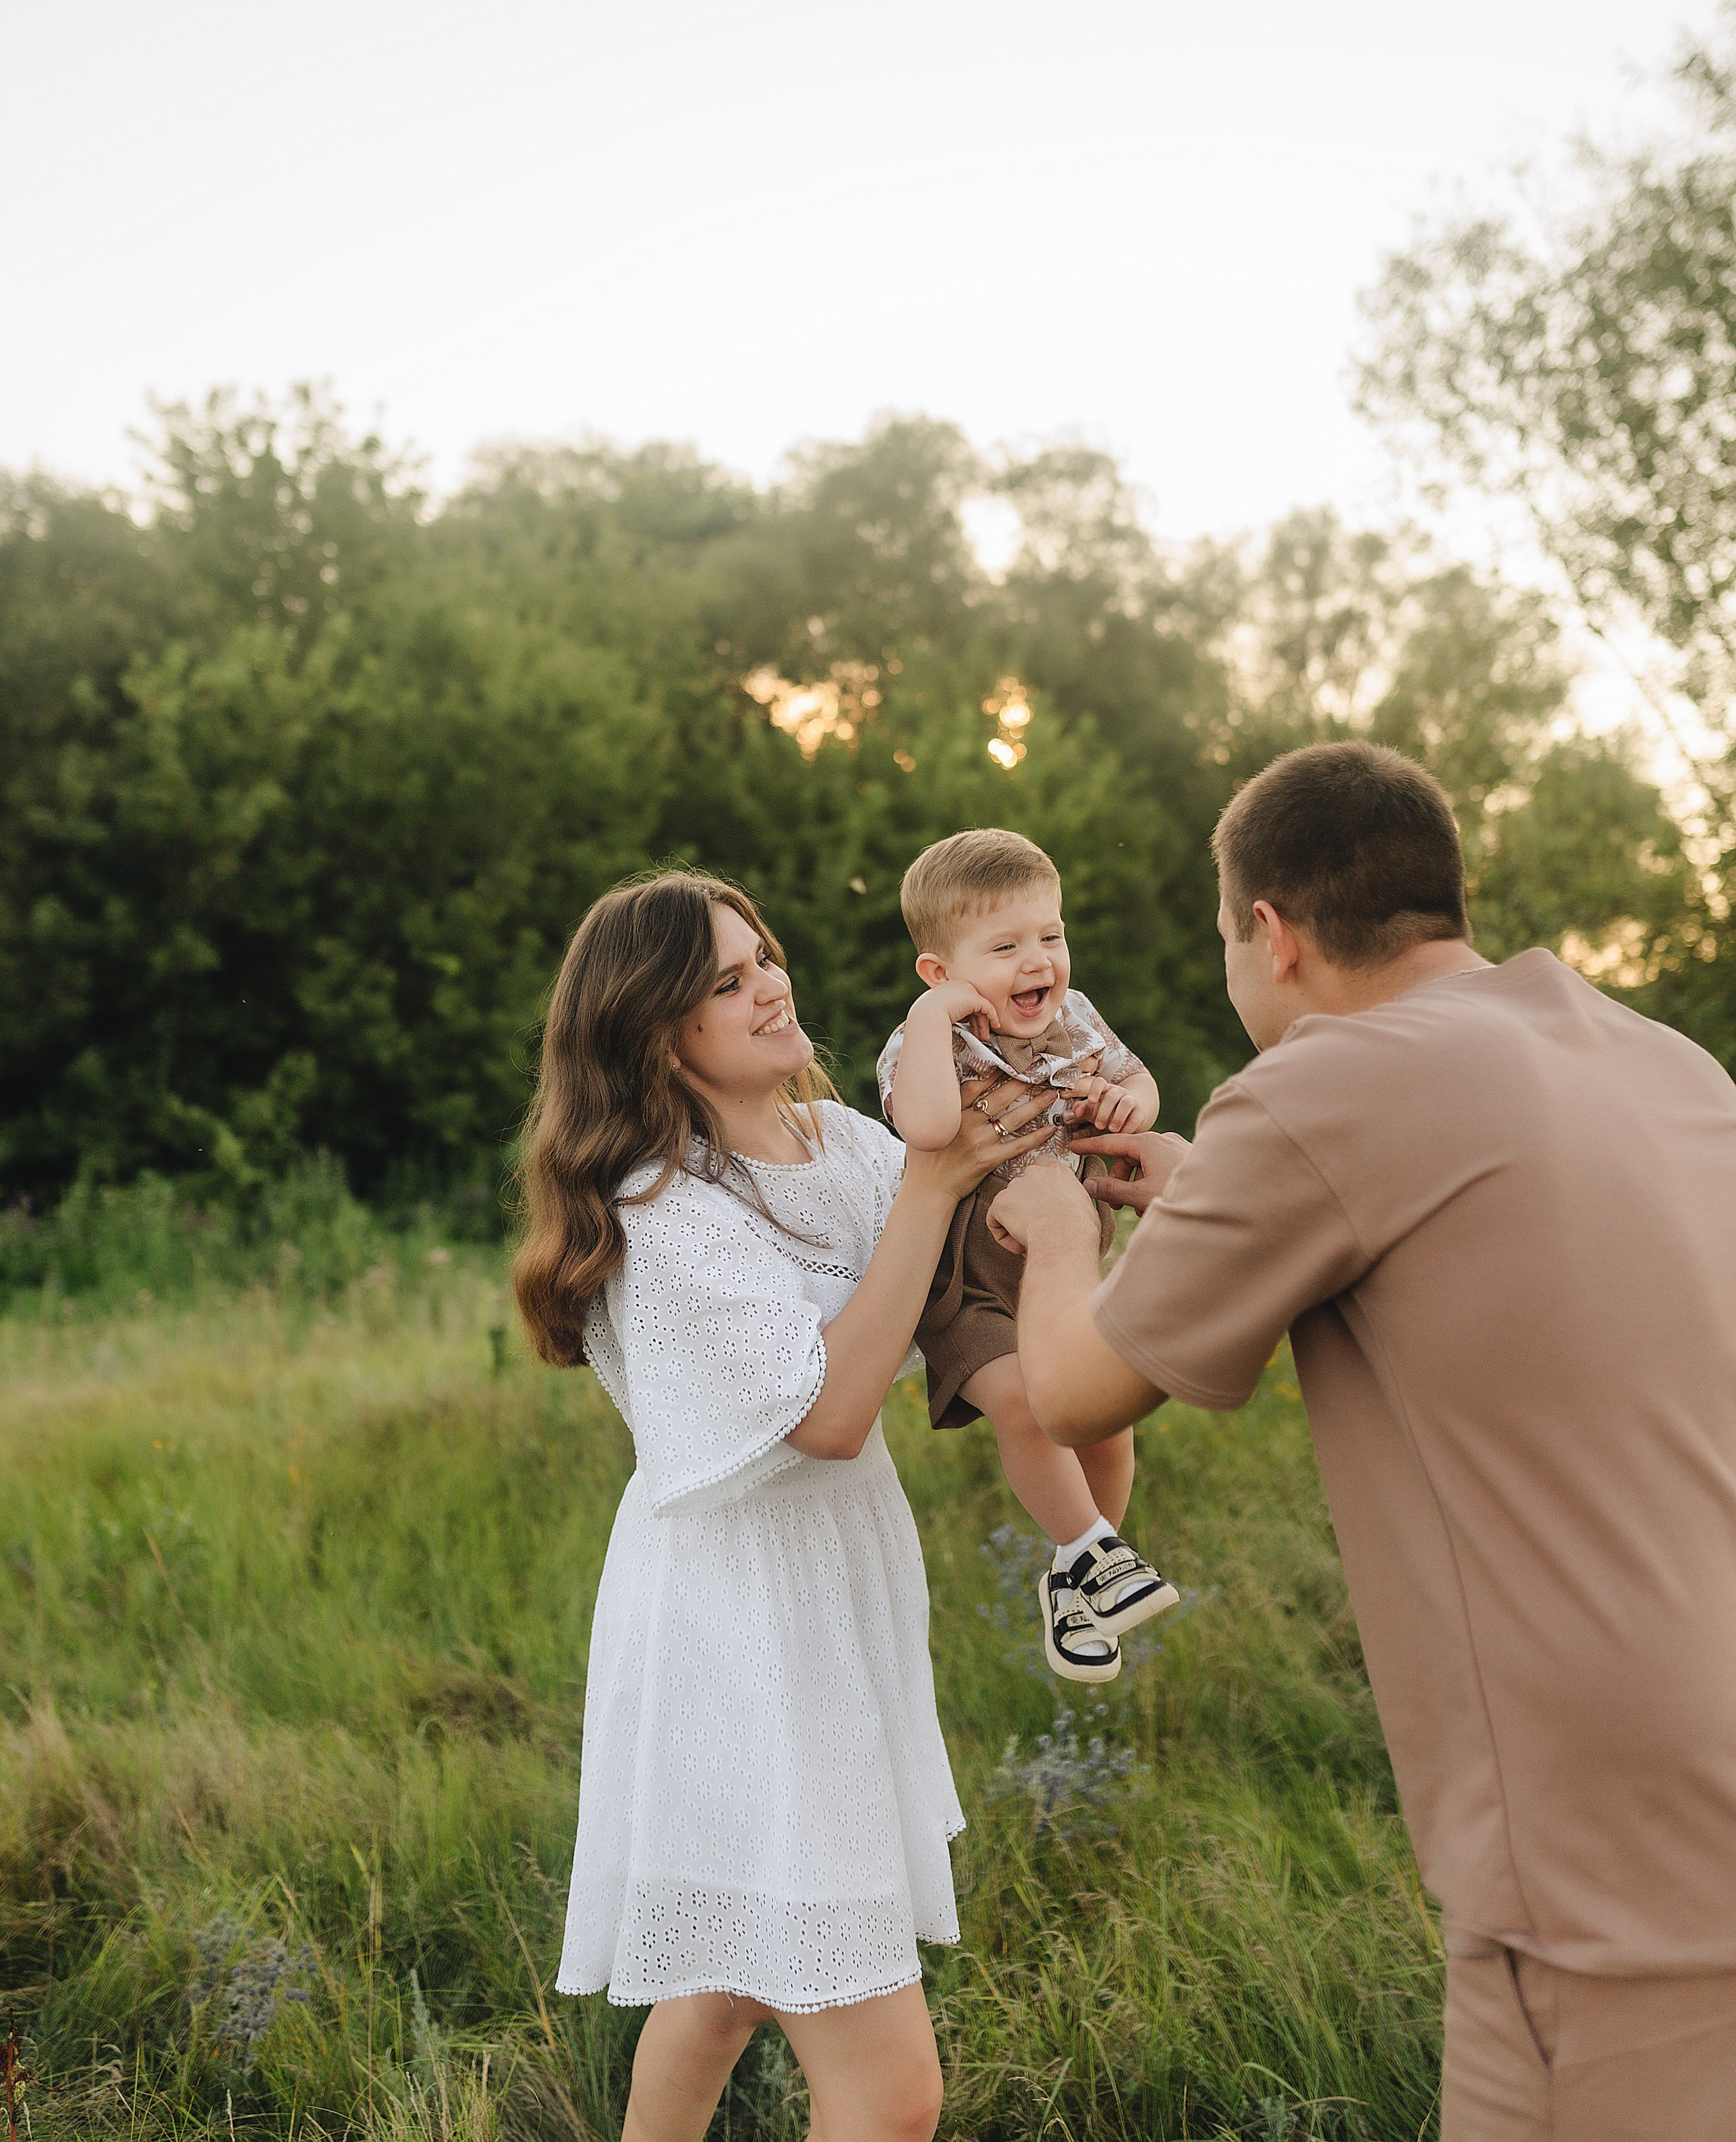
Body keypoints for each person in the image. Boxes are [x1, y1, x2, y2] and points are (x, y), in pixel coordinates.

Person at [992, 741, 1736, 2142]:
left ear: (1268, 934)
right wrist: (1208, 1189)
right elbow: (1486, 1256)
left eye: (1226, 942)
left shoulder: (1319, 1082)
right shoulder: (1652, 1057)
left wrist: (1054, 1235)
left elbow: (1077, 1385)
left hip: (1607, 1833)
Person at [512, 869, 1052, 2142]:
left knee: (726, 1988)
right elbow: (828, 1415)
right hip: (739, 1627)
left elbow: (956, 1291)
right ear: (658, 1032)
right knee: (893, 2091)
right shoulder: (662, 1211)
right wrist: (933, 1186)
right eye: (728, 979)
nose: (772, 986)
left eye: (766, 959)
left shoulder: (850, 1148)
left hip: (831, 1594)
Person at [876, 828, 1177, 1681]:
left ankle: (1078, 1580)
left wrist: (1126, 1104)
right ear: (941, 973)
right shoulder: (927, 1040)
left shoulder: (1076, 1019)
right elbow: (930, 1128)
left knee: (1103, 1420)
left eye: (1049, 936)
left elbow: (1141, 1080)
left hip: (1066, 1260)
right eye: (1004, 946)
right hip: (968, 1278)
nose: (1036, 959)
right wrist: (932, 1019)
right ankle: (1088, 1546)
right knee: (1023, 1402)